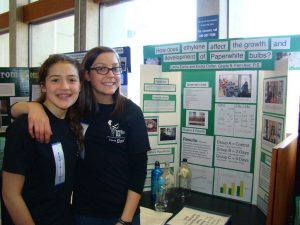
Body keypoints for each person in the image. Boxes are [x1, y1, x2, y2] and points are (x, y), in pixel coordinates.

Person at [10, 46, 150, 225]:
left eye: (115, 68)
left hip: (122, 213)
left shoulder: (131, 112)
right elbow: (14, 111)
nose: (110, 74)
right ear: (87, 76)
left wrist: (125, 220)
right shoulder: (74, 108)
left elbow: (139, 170)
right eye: (101, 68)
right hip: (82, 212)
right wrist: (32, 107)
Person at [2, 54, 84, 225]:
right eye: (55, 80)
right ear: (43, 86)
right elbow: (10, 194)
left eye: (72, 80)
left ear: (80, 86)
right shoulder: (25, 127)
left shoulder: (71, 124)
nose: (65, 87)